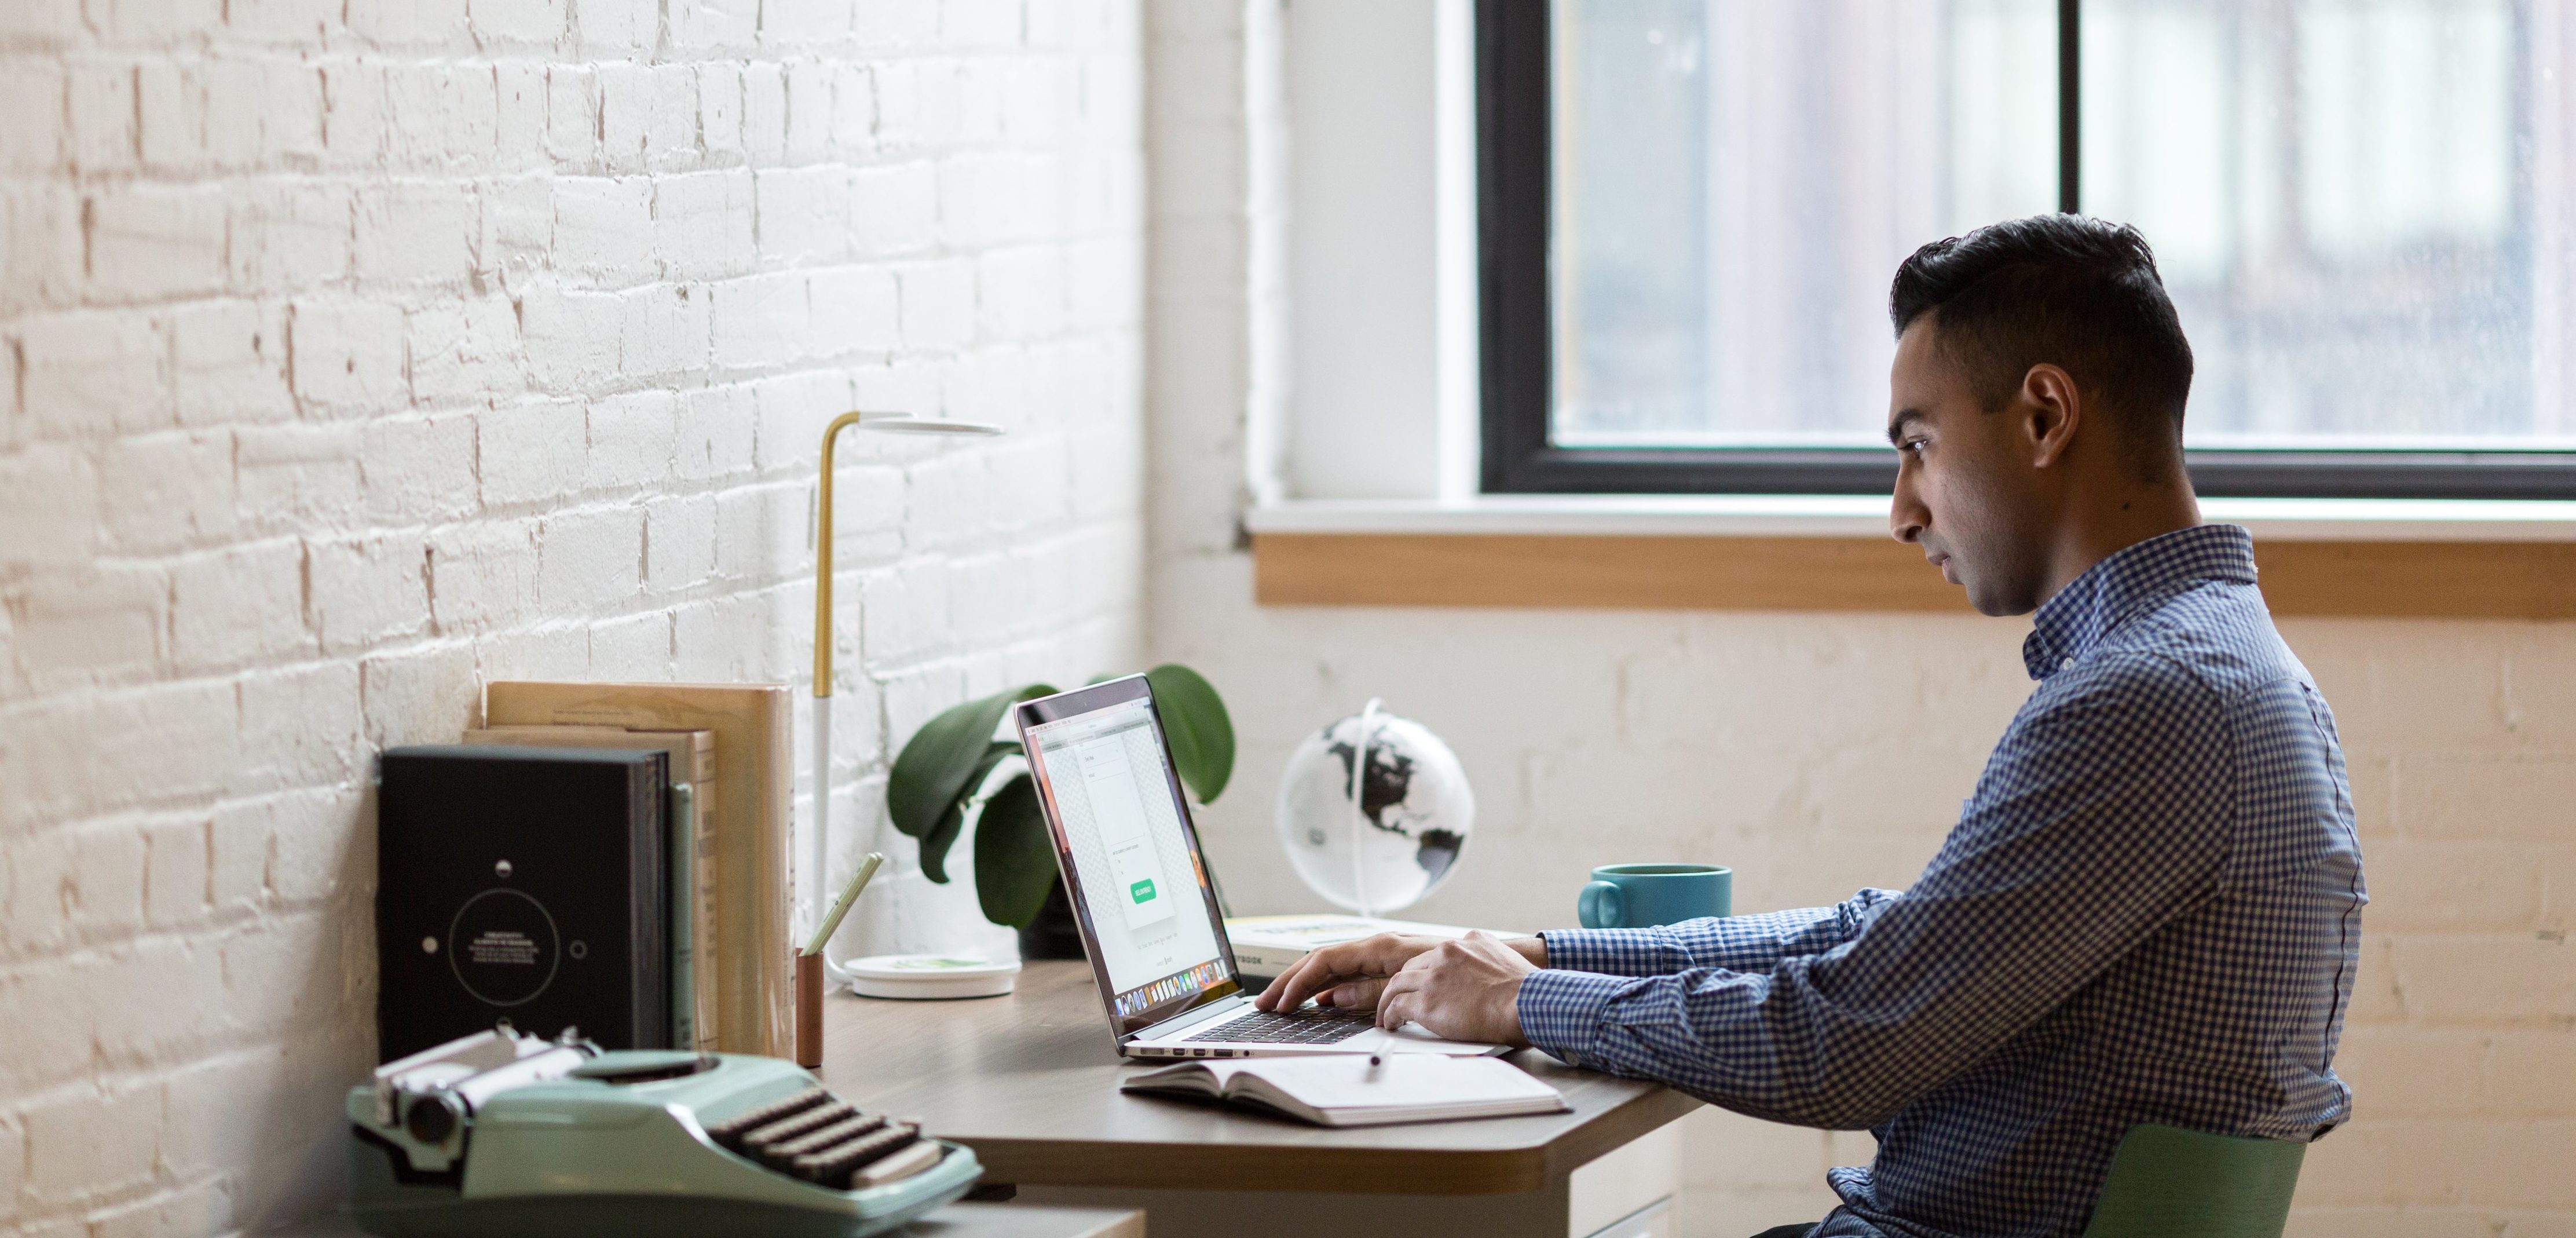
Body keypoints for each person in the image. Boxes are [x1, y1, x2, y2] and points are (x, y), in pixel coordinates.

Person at [1256, 215, 2367, 1238]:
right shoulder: (2222, 671)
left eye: (1918, 443)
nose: (1901, 509)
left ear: (2043, 416)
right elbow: (1892, 939)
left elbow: (1850, 1041)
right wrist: (1535, 953)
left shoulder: (2150, 701)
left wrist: (1517, 1002)